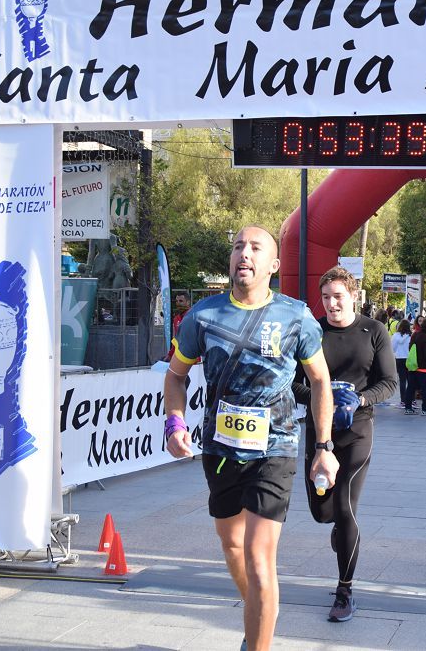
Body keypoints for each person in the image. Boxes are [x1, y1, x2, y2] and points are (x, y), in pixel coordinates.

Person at [163, 226, 338, 651]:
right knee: (232, 545)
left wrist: (324, 448)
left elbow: (320, 382)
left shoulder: (295, 317)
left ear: (274, 266)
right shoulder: (203, 316)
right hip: (220, 451)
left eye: (256, 248)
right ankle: (260, 608)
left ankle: (258, 633)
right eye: (239, 246)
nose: (245, 253)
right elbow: (175, 376)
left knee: (260, 558)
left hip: (275, 449)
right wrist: (174, 422)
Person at [293, 266, 397, 623]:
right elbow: (294, 384)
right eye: (325, 297)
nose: (331, 303)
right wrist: (324, 398)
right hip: (321, 432)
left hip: (357, 431)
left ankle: (345, 591)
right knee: (322, 512)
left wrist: (360, 400)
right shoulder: (313, 332)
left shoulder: (374, 331)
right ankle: (338, 527)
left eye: (338, 296)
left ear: (354, 295)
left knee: (345, 506)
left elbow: (389, 383)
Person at [409, 317, 426, 415]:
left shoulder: (415, 335)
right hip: (424, 367)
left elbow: (410, 348)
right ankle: (425, 409)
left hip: (413, 365)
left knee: (411, 388)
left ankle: (408, 407)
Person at [164, 291, 192, 361]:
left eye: (181, 301)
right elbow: (176, 339)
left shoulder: (193, 317)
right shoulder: (176, 319)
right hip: (179, 357)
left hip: (192, 358)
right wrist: (170, 354)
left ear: (188, 302)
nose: (178, 303)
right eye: (177, 301)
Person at [392, 320, 412, 414]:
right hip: (408, 359)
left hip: (399, 358)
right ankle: (411, 399)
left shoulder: (395, 336)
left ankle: (403, 400)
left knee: (402, 380)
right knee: (410, 380)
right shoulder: (411, 336)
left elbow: (392, 348)